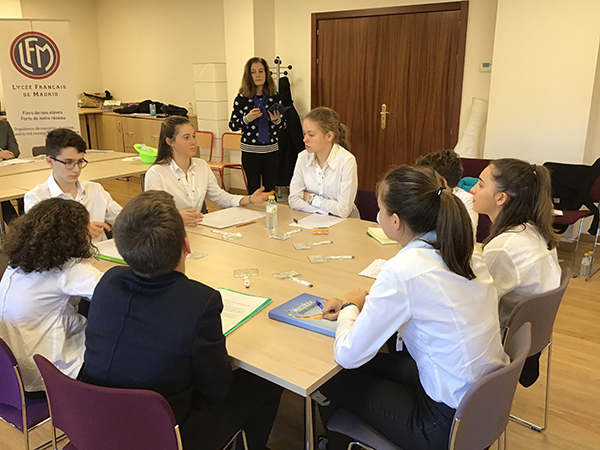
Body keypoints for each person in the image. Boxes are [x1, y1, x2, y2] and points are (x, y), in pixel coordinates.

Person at [316, 165, 507, 450]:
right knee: (369, 365)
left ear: (395, 221)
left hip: (442, 424)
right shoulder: (464, 250)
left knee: (329, 376)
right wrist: (365, 303)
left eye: (380, 210)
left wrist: (350, 306)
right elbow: (426, 297)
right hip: (482, 402)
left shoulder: (403, 271)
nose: (377, 215)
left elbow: (348, 354)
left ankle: (335, 443)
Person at [80, 190, 282, 450]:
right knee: (266, 382)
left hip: (94, 419)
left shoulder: (108, 281)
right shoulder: (199, 302)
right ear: (186, 245)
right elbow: (217, 389)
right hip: (165, 434)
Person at [471, 158, 561, 386]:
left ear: (501, 198)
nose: (472, 190)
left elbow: (474, 305)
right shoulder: (535, 232)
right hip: (530, 340)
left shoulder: (504, 247)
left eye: (480, 184)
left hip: (500, 343)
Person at [0, 198, 101, 394]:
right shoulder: (68, 269)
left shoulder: (16, 263)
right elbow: (110, 293)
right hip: (46, 374)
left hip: (10, 372)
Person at [144, 116, 273, 227]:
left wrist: (249, 199)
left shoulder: (202, 166)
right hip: (170, 232)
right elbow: (152, 214)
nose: (193, 142)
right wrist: (176, 217)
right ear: (169, 141)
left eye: (194, 136)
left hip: (198, 229)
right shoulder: (156, 173)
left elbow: (220, 197)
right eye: (186, 138)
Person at [24, 128, 122, 242]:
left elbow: (123, 218)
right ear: (50, 161)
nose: (76, 170)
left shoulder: (95, 189)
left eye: (80, 162)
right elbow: (40, 241)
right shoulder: (36, 197)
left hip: (101, 251)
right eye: (68, 163)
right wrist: (78, 232)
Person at [229, 56, 286, 194]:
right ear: (248, 75)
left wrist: (276, 120)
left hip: (271, 151)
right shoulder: (242, 98)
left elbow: (283, 125)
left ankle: (272, 209)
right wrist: (247, 118)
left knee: (270, 190)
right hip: (250, 151)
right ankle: (253, 209)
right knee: (253, 190)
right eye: (253, 72)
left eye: (261, 71)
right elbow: (233, 125)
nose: (257, 75)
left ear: (266, 73)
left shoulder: (275, 96)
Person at [288, 107, 359, 218]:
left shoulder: (347, 161)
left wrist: (311, 198)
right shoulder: (303, 157)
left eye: (311, 135)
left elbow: (343, 210)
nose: (305, 139)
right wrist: (323, 211)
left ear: (329, 136)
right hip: (313, 219)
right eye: (304, 133)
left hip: (345, 222)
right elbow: (293, 199)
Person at [415, 149, 478, 237]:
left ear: (442, 183)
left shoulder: (465, 200)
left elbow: (465, 237)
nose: (420, 185)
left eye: (425, 181)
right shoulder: (421, 197)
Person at [0, 120, 22, 224]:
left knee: (22, 193)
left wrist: (7, 155)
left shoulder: (4, 125)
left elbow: (14, 148)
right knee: (3, 198)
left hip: (8, 168)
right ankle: (15, 225)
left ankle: (25, 223)